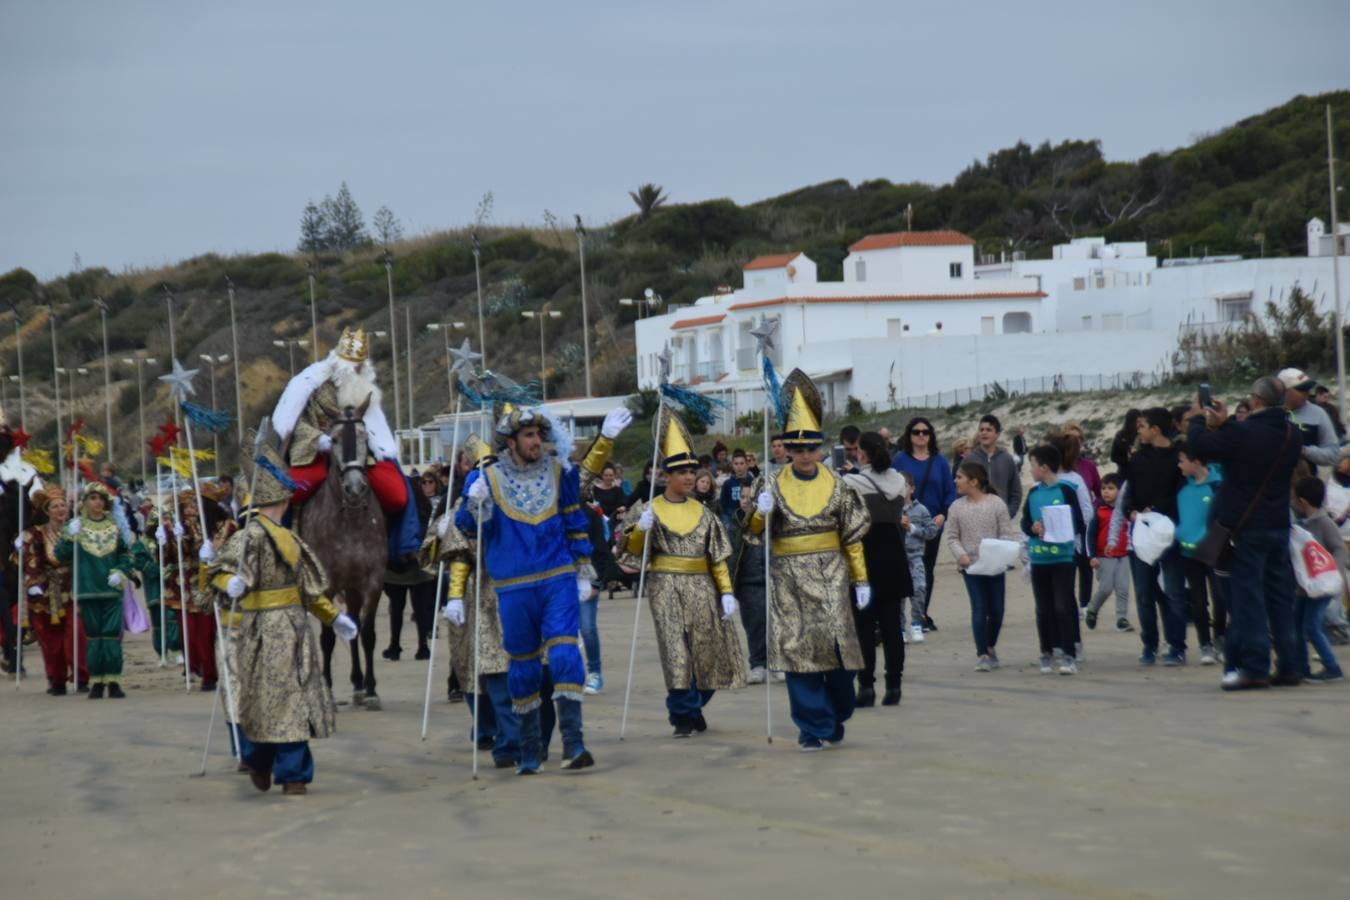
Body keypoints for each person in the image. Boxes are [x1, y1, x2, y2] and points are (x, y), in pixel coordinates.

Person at [456, 401, 633, 773]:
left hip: (557, 576)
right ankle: (530, 750)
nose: (537, 441)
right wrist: (474, 505)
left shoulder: (557, 471)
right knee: (523, 665)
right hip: (513, 584)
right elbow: (469, 529)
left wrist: (584, 567)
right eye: (529, 435)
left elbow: (573, 516)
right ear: (511, 441)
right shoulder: (487, 478)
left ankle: (574, 743)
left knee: (567, 653)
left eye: (539, 434)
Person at [208, 443, 359, 794]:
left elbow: (306, 589)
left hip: (294, 627)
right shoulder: (249, 538)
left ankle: (293, 772)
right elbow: (218, 573)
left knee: (295, 696)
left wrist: (332, 616)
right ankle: (261, 758)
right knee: (266, 698)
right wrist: (228, 581)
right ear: (284, 500)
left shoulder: (288, 538)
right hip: (260, 628)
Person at [747, 369, 871, 751]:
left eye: (810, 448)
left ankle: (834, 714)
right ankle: (810, 726)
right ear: (785, 448)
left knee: (836, 656)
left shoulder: (838, 484)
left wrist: (861, 579)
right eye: (795, 448)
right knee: (798, 654)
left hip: (832, 576)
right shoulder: (769, 485)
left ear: (820, 448)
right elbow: (753, 534)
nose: (803, 455)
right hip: (788, 579)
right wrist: (759, 512)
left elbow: (852, 536)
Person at [624, 408, 745, 737]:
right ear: (667, 476)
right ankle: (682, 713)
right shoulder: (650, 509)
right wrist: (640, 530)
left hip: (702, 586)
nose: (689, 477)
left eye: (692, 470)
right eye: (681, 472)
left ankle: (691, 705)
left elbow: (717, 557)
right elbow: (634, 553)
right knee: (675, 651)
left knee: (707, 652)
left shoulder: (704, 513)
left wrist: (727, 591)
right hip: (665, 585)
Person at [1184, 376, 1301, 690]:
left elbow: (1200, 447)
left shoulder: (1245, 431)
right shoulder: (1292, 432)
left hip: (1248, 527)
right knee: (1280, 597)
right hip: (1278, 522)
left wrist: (1199, 419)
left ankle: (1254, 667)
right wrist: (1225, 424)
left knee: (1248, 598)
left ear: (1258, 401)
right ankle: (1290, 664)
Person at [270, 326, 418, 555]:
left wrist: (367, 443)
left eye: (361, 365)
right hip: (314, 452)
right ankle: (281, 550)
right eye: (354, 365)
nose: (359, 369)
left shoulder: (362, 388)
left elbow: (371, 426)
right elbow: (293, 423)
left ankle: (402, 550)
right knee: (287, 491)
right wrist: (322, 441)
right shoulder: (312, 383)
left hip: (357, 452)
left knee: (398, 493)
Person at [428, 434, 521, 769]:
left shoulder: (515, 502)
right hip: (470, 594)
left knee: (502, 664)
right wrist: (440, 534)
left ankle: (512, 735)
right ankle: (484, 727)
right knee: (469, 665)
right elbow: (447, 554)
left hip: (510, 588)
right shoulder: (458, 506)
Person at [1114, 407, 1189, 667]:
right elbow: (1128, 492)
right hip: (1141, 532)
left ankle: (1177, 646)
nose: (1139, 430)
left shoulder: (1177, 458)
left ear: (1156, 429)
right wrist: (1132, 512)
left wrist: (1157, 511)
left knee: (1174, 591)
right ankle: (1150, 645)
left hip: (1169, 533)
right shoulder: (1136, 459)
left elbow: (1180, 494)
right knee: (1144, 593)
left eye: (1143, 426)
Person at [843, 432, 910, 705]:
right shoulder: (899, 480)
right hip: (893, 553)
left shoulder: (851, 481)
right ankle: (894, 686)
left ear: (862, 453)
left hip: (864, 554)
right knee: (892, 626)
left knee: (864, 626)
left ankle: (866, 686)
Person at [56, 482, 135, 699]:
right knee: (93, 637)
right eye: (92, 498)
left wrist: (121, 571)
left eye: (100, 498)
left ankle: (114, 680)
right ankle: (97, 681)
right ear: (85, 502)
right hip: (87, 589)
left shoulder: (116, 527)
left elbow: (127, 556)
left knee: (111, 637)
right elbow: (60, 555)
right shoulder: (76, 526)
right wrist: (68, 536)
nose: (97, 502)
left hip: (111, 589)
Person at [945, 460, 1020, 672]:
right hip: (971, 567)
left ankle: (990, 645)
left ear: (974, 481)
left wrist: (1001, 554)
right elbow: (952, 537)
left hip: (995, 565)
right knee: (979, 608)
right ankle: (982, 654)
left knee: (997, 610)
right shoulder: (956, 507)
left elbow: (1006, 533)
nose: (956, 480)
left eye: (960, 477)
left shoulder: (996, 503)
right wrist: (961, 555)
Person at [1022, 445, 1087, 675]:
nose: (1030, 470)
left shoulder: (1067, 490)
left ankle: (1069, 654)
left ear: (1044, 467)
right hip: (1039, 558)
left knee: (1063, 606)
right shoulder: (1032, 493)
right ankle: (1046, 652)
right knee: (1043, 608)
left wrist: (1058, 526)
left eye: (1033, 465)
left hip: (1063, 558)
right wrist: (1033, 527)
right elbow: (1025, 522)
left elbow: (1080, 522)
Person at [15, 486, 87, 694]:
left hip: (73, 588)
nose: (60, 509)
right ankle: (57, 679)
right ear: (47, 511)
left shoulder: (78, 530)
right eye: (55, 506)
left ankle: (82, 676)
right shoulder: (36, 534)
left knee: (77, 633)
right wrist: (34, 583)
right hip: (46, 591)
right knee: (50, 640)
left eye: (63, 505)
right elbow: (30, 560)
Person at [892, 417, 955, 631]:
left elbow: (950, 490)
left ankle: (921, 615)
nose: (921, 436)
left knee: (926, 569)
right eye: (916, 432)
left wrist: (943, 514)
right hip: (905, 522)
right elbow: (891, 488)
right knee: (902, 568)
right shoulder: (900, 460)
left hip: (932, 523)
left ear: (931, 435)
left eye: (925, 432)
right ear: (909, 435)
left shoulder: (940, 461)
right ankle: (900, 620)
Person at [1291, 477, 1346, 682]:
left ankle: (1332, 667)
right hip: (1304, 587)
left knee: (1312, 627)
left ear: (1303, 501)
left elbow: (1339, 548)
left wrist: (1334, 574)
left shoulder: (1324, 523)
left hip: (1322, 586)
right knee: (1297, 625)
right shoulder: (1301, 524)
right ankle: (1301, 666)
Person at [1175, 442, 1224, 666]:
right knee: (1197, 600)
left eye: (1183, 460)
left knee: (1220, 597)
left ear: (1196, 462)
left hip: (1215, 551)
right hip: (1188, 552)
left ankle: (1220, 640)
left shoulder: (1217, 486)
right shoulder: (1182, 488)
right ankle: (1205, 644)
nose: (1179, 465)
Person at [383, 471, 438, 661]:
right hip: (419, 565)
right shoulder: (424, 508)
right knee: (420, 608)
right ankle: (422, 646)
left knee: (396, 608)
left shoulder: (394, 510)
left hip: (395, 566)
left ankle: (395, 645)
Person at [1085, 473, 1132, 633]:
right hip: (1104, 556)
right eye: (1103, 488)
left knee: (1123, 587)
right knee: (1105, 587)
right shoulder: (1099, 512)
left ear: (1121, 491)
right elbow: (1090, 535)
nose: (1106, 492)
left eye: (1111, 488)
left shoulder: (1127, 511)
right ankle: (1092, 609)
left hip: (1124, 555)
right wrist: (1092, 556)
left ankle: (1121, 618)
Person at [901, 472, 939, 643]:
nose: (901, 490)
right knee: (898, 596)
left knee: (919, 589)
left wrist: (912, 528)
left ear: (912, 488)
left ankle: (916, 624)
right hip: (898, 559)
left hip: (916, 557)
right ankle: (900, 628)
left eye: (905, 486)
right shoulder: (891, 510)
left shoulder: (921, 509)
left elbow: (932, 531)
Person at [1278, 368, 1339, 474]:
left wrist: (1305, 451)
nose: (1307, 394)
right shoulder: (1269, 412)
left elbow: (1333, 454)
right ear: (1285, 391)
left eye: (1307, 389)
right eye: (1301, 390)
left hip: (1304, 484)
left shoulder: (1318, 414)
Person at [966, 414, 1022, 518]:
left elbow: (1016, 492)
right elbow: (961, 491)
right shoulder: (969, 460)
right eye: (981, 429)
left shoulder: (1007, 459)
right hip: (974, 519)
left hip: (1001, 519)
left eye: (988, 430)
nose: (984, 432)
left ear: (997, 434)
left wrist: (1009, 513)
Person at [1110, 409, 1141, 473]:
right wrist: (1127, 460)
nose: (1139, 424)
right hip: (1125, 471)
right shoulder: (1121, 436)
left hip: (1142, 470)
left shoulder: (1143, 434)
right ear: (1130, 422)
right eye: (1137, 421)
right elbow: (1114, 457)